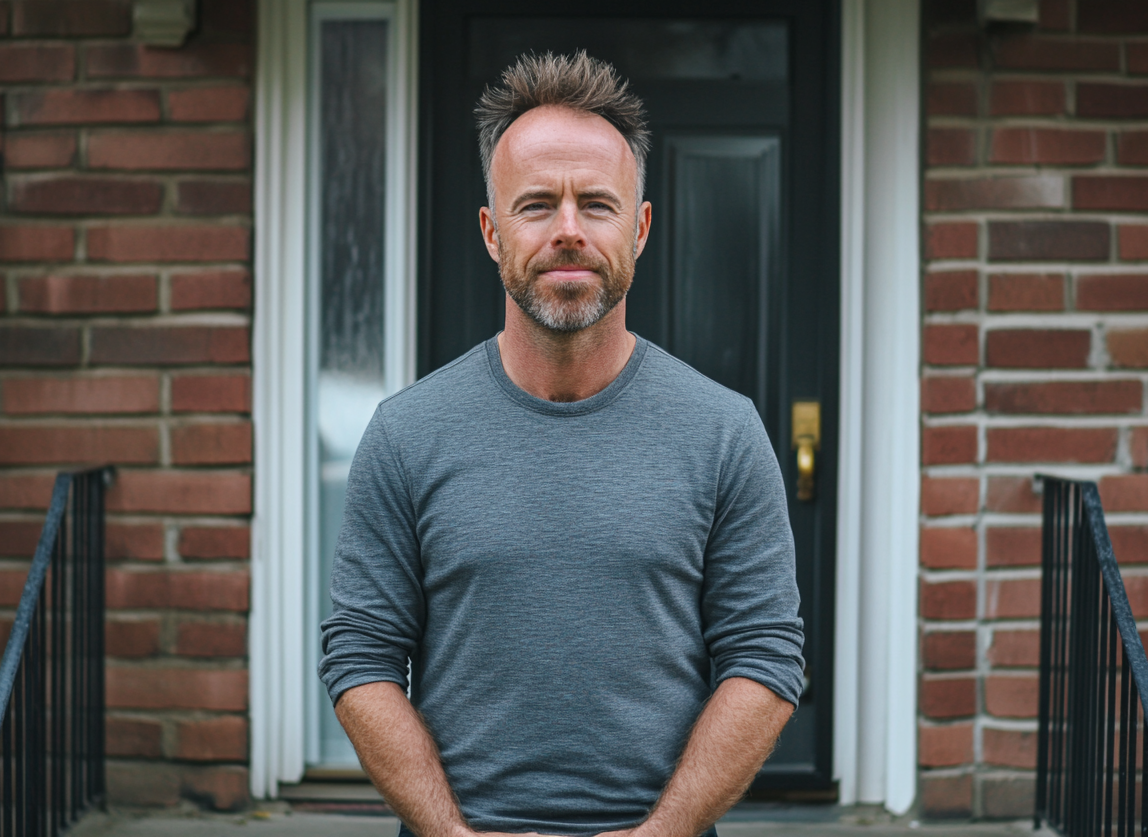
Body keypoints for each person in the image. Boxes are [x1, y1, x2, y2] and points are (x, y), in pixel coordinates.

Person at [319, 51, 805, 837]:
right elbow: (361, 659)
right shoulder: (408, 434)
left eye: (598, 204)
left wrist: (661, 833)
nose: (569, 232)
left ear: (640, 228)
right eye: (537, 204)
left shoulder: (723, 432)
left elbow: (765, 658)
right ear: (491, 231)